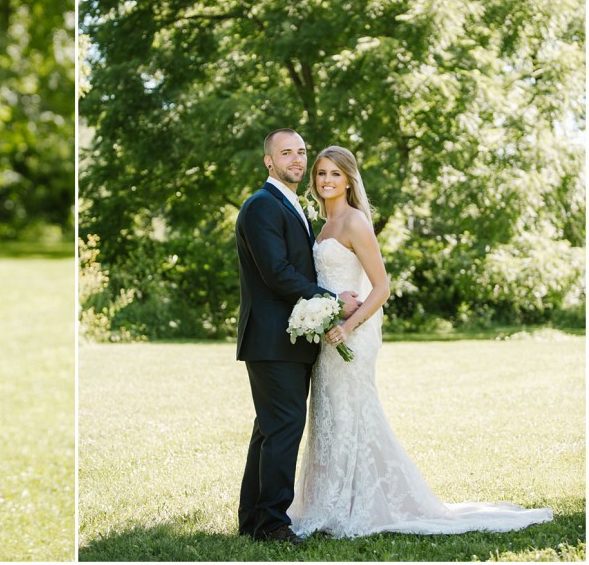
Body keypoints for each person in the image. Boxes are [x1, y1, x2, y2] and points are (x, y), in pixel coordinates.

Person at [288, 145, 553, 537]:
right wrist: (325, 315)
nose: (326, 180)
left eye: (335, 174)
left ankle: (358, 505)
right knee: (328, 415)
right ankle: (327, 500)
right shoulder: (323, 224)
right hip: (328, 333)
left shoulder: (354, 222)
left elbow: (381, 287)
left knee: (352, 413)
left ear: (348, 180)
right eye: (321, 174)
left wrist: (349, 326)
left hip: (352, 335)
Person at [234, 129, 362, 543]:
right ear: (268, 161)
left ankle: (254, 519)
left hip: (287, 339)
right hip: (273, 339)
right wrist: (330, 301)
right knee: (285, 427)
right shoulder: (261, 207)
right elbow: (277, 274)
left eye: (301, 152)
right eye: (286, 153)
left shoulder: (290, 205)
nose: (296, 159)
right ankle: (272, 524)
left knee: (271, 428)